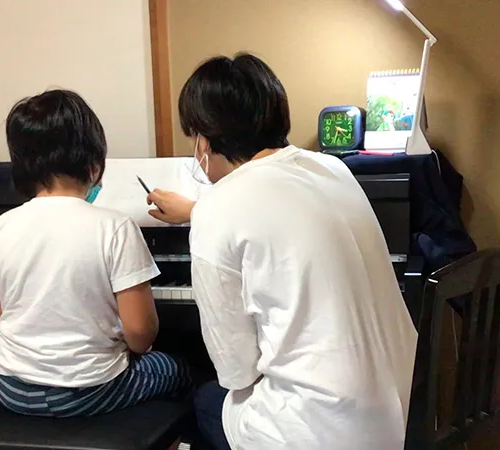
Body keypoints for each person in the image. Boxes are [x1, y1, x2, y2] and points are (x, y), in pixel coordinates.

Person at [147, 54, 418, 449]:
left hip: (324, 431)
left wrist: (202, 212)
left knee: (206, 400)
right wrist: (196, 210)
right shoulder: (332, 169)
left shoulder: (219, 206)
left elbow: (236, 371)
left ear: (204, 139)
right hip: (402, 414)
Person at [0, 89, 192, 420]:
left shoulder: (0, 226)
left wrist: (38, 333)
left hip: (10, 387)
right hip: (89, 390)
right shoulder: (115, 227)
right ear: (94, 165)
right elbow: (140, 331)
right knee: (177, 369)